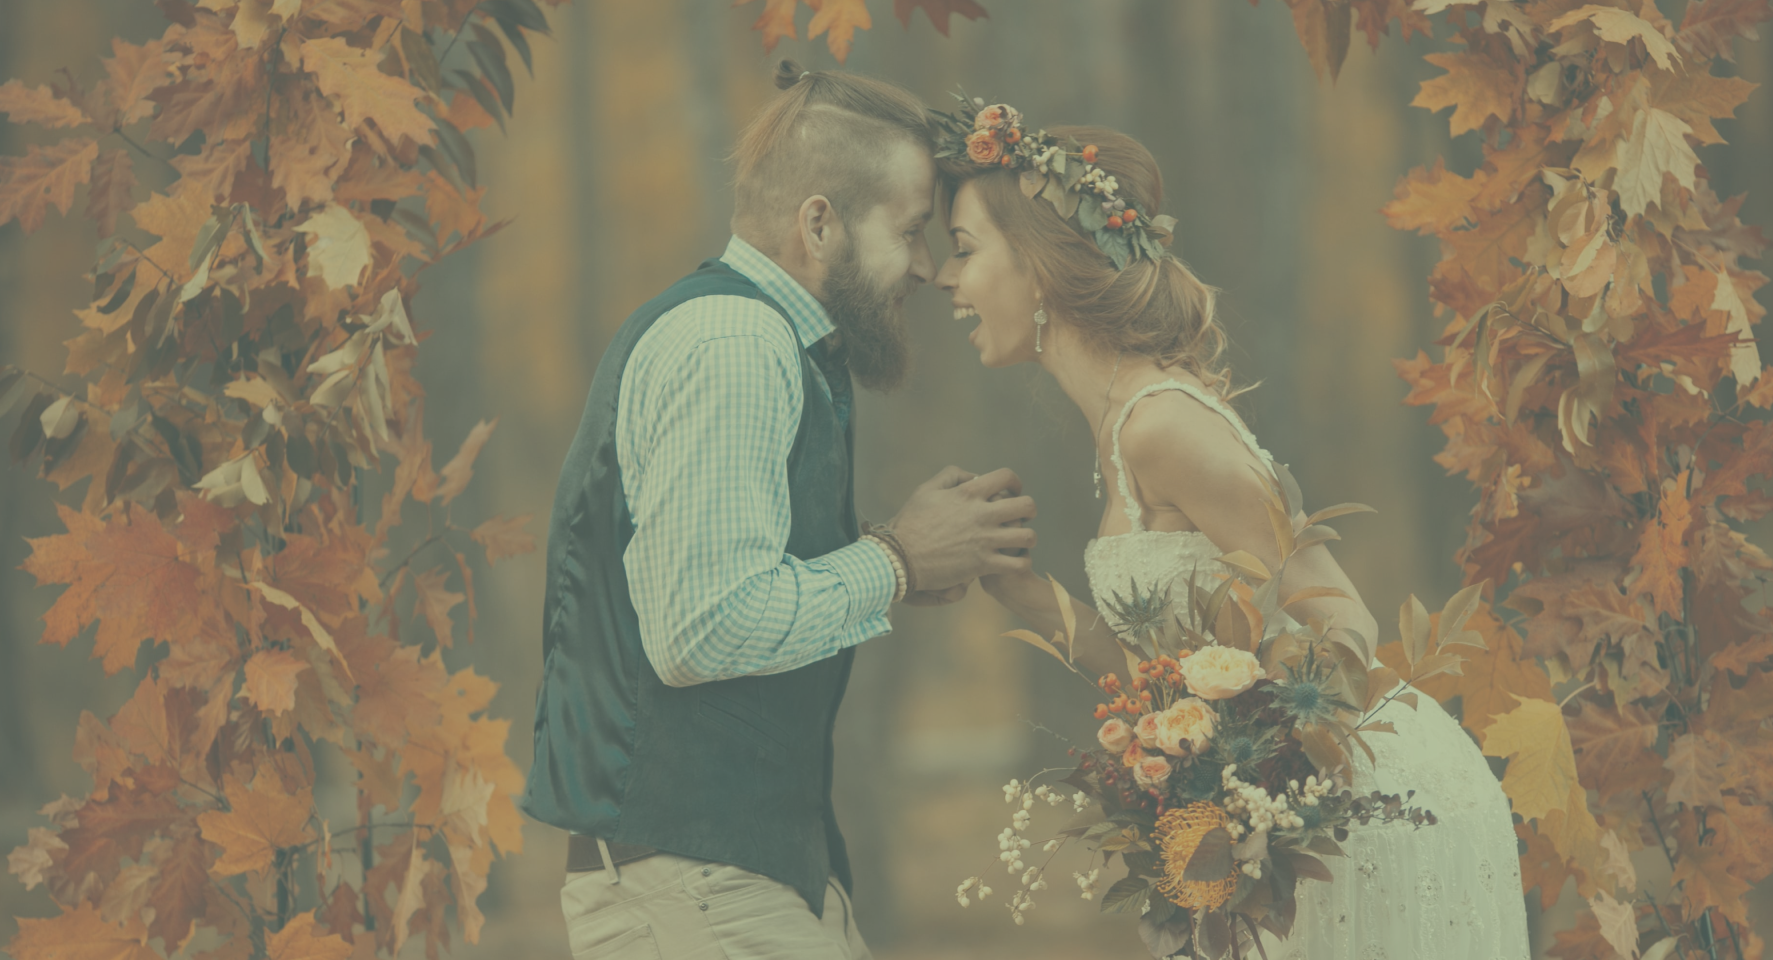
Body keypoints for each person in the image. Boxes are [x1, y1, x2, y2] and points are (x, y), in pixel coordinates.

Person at [934, 114, 1532, 959]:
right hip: (1283, 822)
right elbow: (1173, 679)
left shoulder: (1161, 425)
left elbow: (1345, 625)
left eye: (963, 248)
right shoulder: (1120, 434)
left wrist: (1256, 802)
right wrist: (1034, 600)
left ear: (1036, 264)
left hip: (1364, 810)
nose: (942, 276)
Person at [520, 63, 1037, 960]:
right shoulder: (735, 342)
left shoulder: (767, 342)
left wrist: (891, 556)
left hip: (730, 886)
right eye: (911, 231)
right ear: (818, 222)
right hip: (691, 892)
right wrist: (898, 559)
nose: (925, 265)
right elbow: (701, 630)